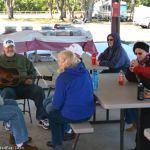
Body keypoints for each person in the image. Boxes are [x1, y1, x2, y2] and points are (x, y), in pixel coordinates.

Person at [43, 50, 95, 150]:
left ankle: (57, 144)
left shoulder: (63, 78)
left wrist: (53, 102)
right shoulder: (85, 72)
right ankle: (63, 134)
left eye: (59, 60)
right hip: (87, 113)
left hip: (75, 115)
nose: (57, 62)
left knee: (51, 112)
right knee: (48, 102)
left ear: (65, 62)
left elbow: (57, 105)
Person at [0, 39, 49, 130]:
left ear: (14, 47)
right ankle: (9, 120)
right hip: (8, 87)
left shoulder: (22, 59)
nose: (10, 49)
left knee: (38, 90)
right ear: (4, 48)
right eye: (8, 47)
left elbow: (32, 71)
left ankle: (42, 118)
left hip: (24, 86)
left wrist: (30, 79)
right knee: (7, 93)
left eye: (12, 47)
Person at [125, 41, 150, 150]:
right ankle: (138, 146)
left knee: (144, 122)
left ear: (147, 52)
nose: (138, 56)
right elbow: (131, 79)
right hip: (144, 96)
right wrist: (131, 70)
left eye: (140, 53)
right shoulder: (139, 63)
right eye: (136, 53)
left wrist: (138, 69)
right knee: (141, 120)